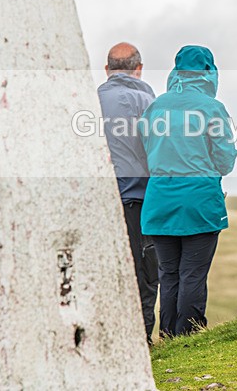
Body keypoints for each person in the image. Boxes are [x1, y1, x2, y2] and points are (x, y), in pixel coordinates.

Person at [140, 45, 237, 337]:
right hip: (200, 200)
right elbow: (224, 159)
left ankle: (168, 335)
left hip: (159, 200)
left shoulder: (156, 106)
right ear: (209, 72)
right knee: (193, 273)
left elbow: (146, 150)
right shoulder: (212, 108)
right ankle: (189, 335)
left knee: (168, 275)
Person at [97, 42, 159, 345]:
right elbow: (159, 150)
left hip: (99, 201)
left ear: (107, 70)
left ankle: (106, 339)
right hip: (140, 198)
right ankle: (141, 340)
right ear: (139, 68)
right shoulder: (149, 102)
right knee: (145, 271)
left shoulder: (90, 101)